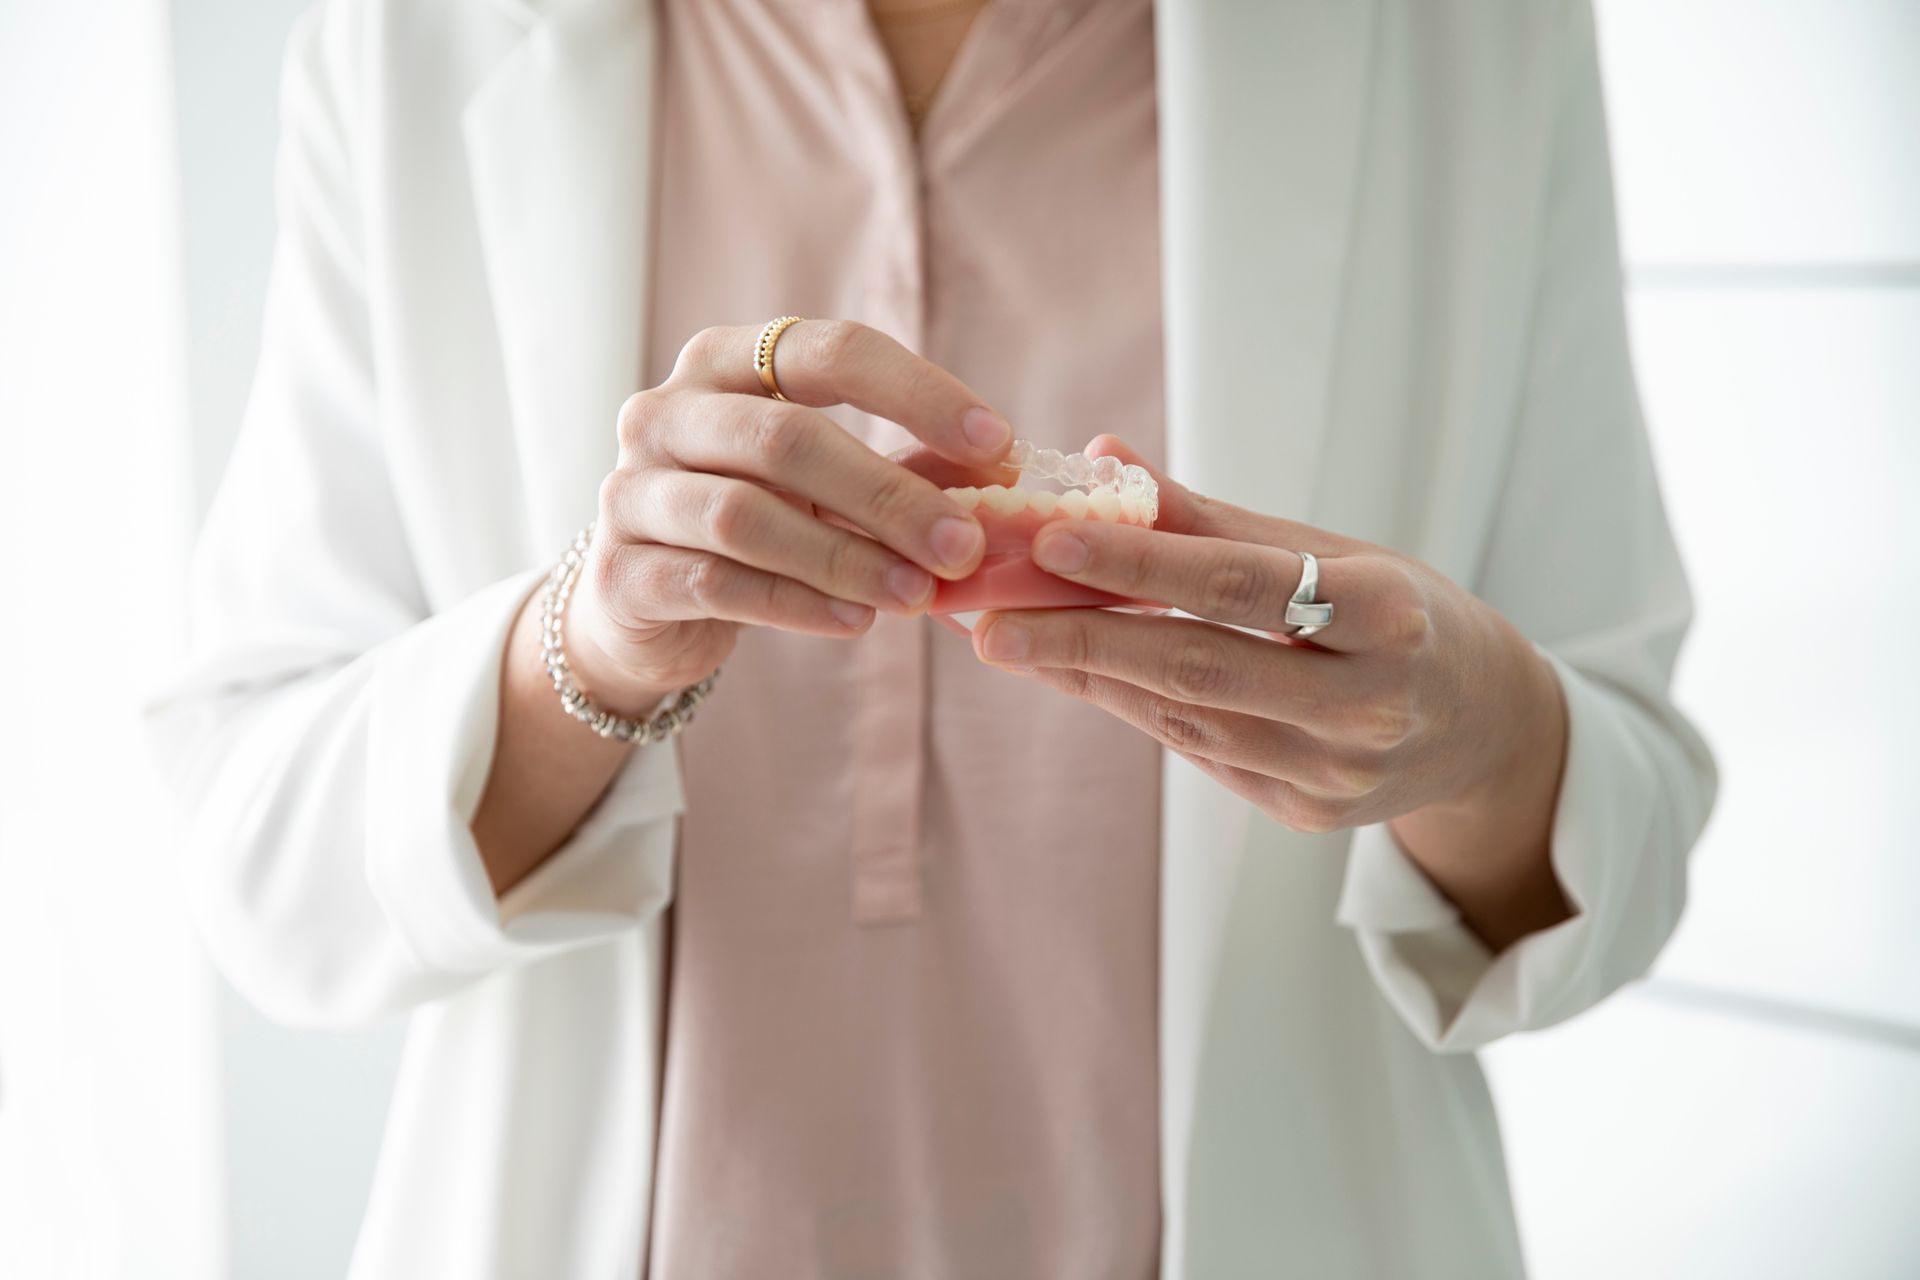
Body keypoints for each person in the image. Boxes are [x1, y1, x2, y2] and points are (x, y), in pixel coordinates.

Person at [147, 0, 1718, 1276]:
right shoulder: (411, 48)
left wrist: (1486, 736)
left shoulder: (1474, 41)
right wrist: (593, 648)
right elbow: (260, 865)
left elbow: (1630, 842)